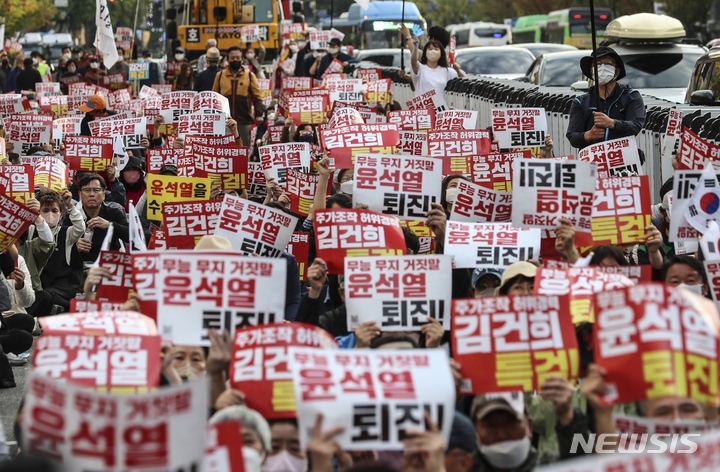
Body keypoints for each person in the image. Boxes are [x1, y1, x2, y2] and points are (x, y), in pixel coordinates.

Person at [566, 46, 646, 150]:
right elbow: (572, 136)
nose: (602, 67)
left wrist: (612, 123)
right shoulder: (581, 102)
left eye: (608, 62)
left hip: (622, 161)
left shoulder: (631, 96)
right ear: (592, 72)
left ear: (617, 72)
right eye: (597, 63)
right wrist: (588, 135)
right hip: (593, 163)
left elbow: (636, 126)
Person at [69, 173, 129, 266]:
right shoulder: (73, 216)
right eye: (87, 190)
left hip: (110, 264)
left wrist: (110, 225)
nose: (92, 194)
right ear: (80, 194)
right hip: (81, 266)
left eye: (96, 190)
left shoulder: (114, 212)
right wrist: (74, 247)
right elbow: (62, 244)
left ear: (103, 195)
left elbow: (131, 235)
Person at [212, 46, 265, 147]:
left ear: (242, 59)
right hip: (224, 122)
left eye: (237, 57)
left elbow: (257, 97)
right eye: (232, 58)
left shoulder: (250, 76)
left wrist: (258, 114)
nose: (235, 60)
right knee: (225, 150)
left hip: (244, 120)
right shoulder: (219, 76)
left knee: (244, 150)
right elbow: (214, 97)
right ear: (227, 59)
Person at [470, 395, 537, 471]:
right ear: (474, 431)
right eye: (490, 426)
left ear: (529, 426)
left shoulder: (551, 466)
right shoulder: (461, 469)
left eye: (511, 423)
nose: (502, 435)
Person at [402, 25, 465, 97]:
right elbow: (414, 58)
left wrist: (408, 37)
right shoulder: (421, 68)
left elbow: (464, 78)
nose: (433, 52)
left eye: (436, 49)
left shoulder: (448, 68)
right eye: (430, 49)